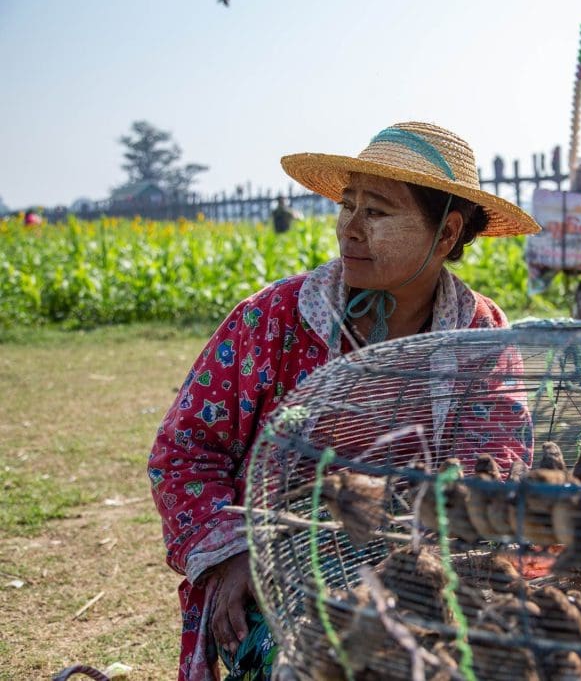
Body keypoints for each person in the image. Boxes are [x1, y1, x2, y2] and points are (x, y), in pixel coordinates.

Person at [148, 121, 542, 681]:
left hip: (431, 576)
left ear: (448, 233)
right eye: (347, 206)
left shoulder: (479, 336)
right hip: (282, 577)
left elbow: (498, 467)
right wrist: (235, 555)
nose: (349, 229)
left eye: (376, 212)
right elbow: (186, 452)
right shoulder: (274, 320)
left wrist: (427, 559)